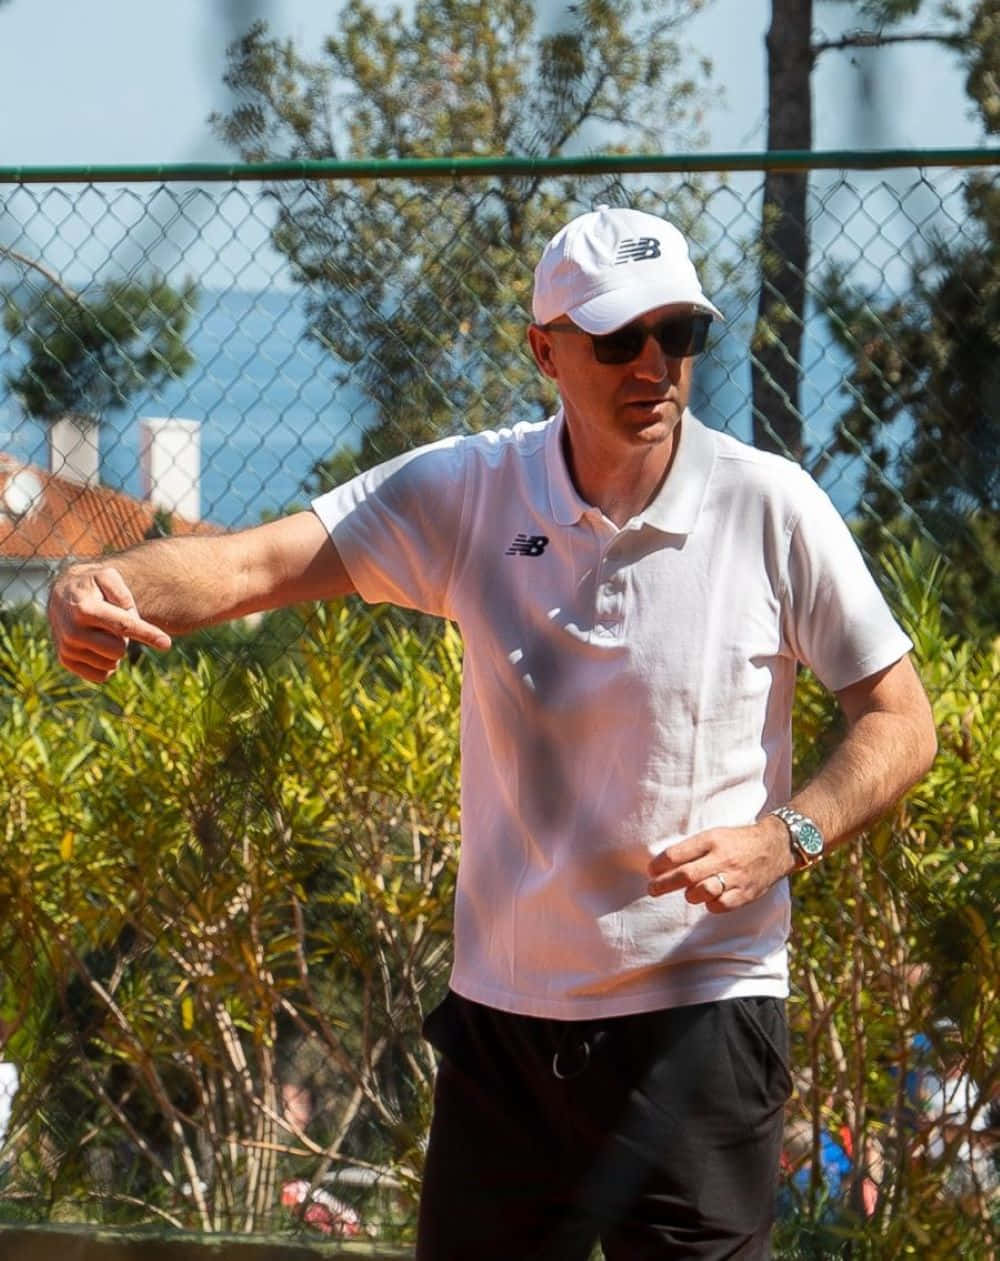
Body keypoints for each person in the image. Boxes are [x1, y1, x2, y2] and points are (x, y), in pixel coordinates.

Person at [47, 206, 938, 1259]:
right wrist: (93, 581)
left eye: (680, 334)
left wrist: (783, 837)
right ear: (543, 350)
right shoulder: (469, 489)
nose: (654, 365)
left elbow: (900, 719)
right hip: (502, 1030)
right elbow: (252, 564)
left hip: (700, 1020)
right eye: (618, 339)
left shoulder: (771, 507)